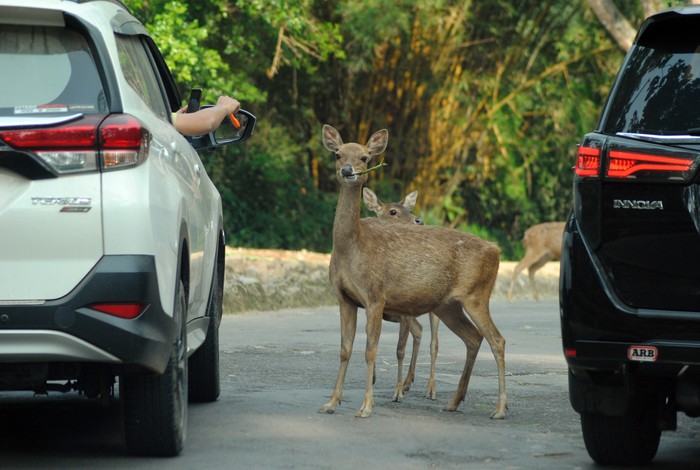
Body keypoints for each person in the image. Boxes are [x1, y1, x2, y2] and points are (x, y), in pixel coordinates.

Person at [172, 95, 240, 136]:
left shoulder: (164, 118)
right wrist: (223, 107)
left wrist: (179, 117)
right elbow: (207, 122)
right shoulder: (163, 118)